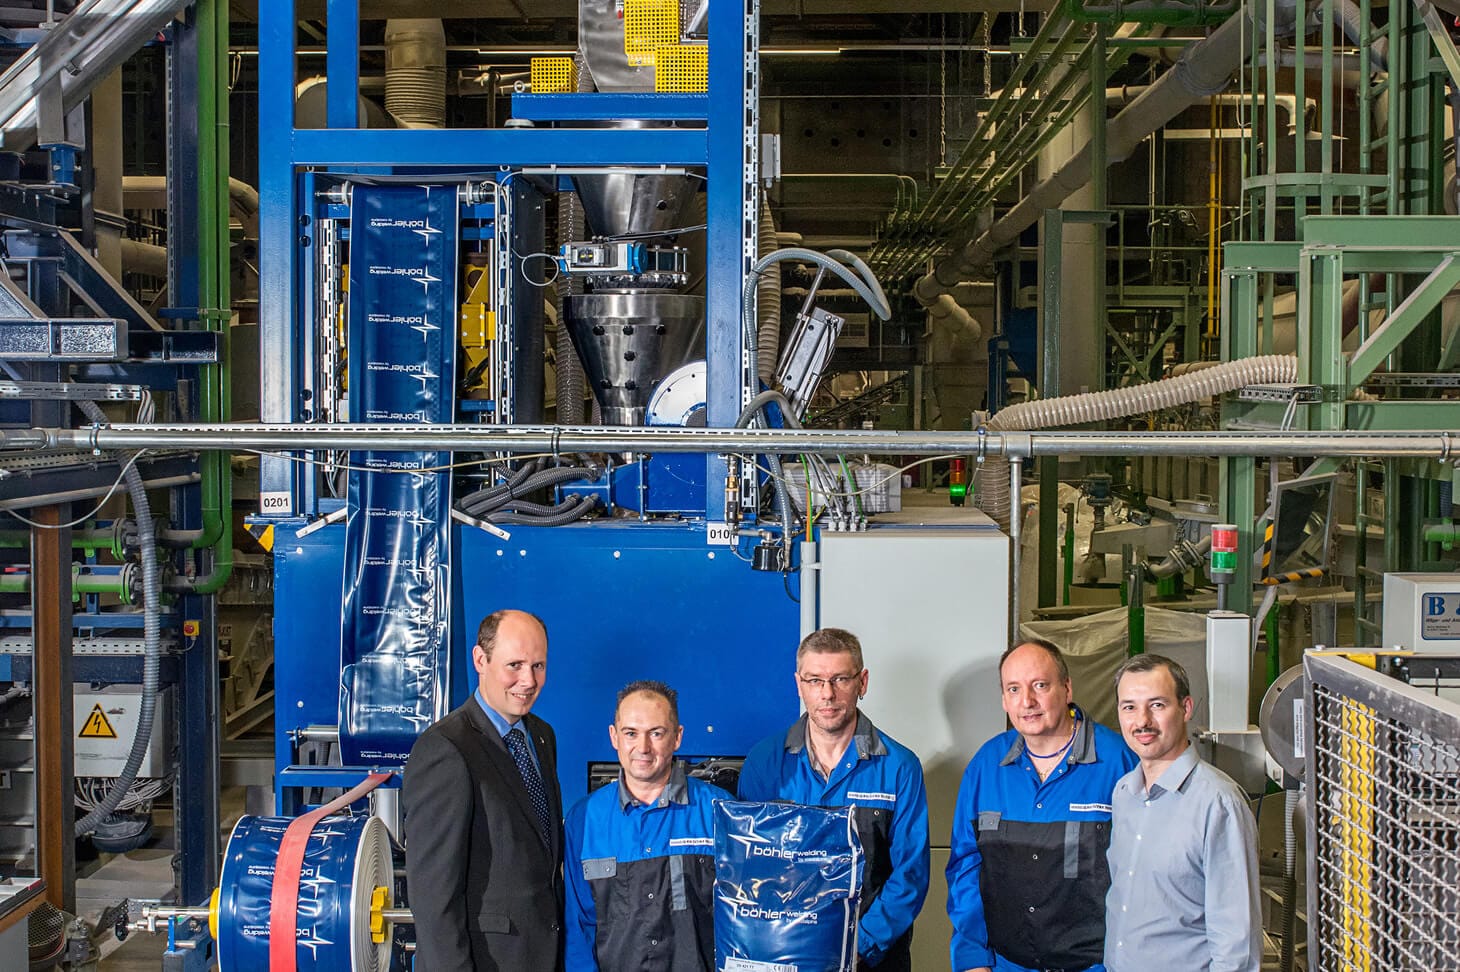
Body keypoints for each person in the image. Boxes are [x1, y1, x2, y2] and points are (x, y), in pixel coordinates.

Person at [738, 628, 930, 970]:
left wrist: (857, 946)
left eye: (840, 678)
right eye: (814, 680)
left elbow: (910, 875)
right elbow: (750, 868)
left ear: (862, 682)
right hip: (786, 954)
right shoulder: (764, 763)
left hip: (871, 958)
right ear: (799, 685)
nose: (827, 693)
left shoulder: (900, 767)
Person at [947, 638, 1138, 972]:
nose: (1028, 701)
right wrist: (972, 958)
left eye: (1040, 685)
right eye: (1014, 689)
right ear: (1004, 700)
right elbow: (966, 868)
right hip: (1006, 965)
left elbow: (1144, 875)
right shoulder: (986, 766)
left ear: (1067, 688)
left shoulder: (1120, 763)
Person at [403, 609, 563, 972]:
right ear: (480, 659)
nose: (528, 680)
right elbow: (433, 899)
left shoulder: (541, 736)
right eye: (515, 665)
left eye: (538, 666)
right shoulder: (445, 750)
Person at [1104, 653, 1261, 972]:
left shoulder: (1218, 803)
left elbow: (1237, 945)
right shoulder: (1124, 794)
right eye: (1129, 707)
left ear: (1186, 708)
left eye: (1157, 705)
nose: (1142, 721)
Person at [564, 680, 730, 971]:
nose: (643, 747)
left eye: (656, 733)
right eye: (631, 733)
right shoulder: (585, 819)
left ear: (677, 737)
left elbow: (740, 923)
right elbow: (578, 928)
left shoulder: (720, 812)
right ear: (614, 737)